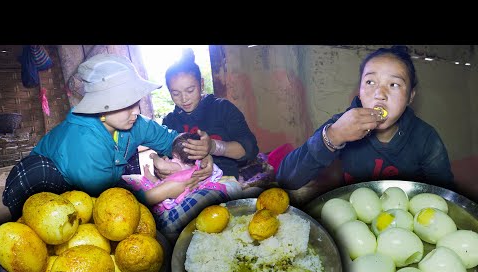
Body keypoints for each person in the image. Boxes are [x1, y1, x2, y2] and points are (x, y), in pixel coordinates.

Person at [2, 53, 214, 221]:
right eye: (124, 105)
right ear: (100, 107)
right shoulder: (84, 142)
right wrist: (162, 192)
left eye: (135, 102)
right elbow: (104, 205)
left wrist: (199, 152)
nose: (135, 111)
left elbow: (171, 140)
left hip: (97, 183)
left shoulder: (135, 123)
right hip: (43, 184)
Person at [277, 45, 455, 191]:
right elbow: (286, 180)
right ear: (359, 92)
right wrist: (333, 136)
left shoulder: (426, 138)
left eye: (394, 84)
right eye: (370, 82)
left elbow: (444, 192)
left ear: (410, 97)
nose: (380, 94)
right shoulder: (341, 125)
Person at [158, 48, 259, 181]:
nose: (184, 99)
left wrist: (213, 147)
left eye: (190, 90)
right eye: (175, 93)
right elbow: (162, 158)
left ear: (201, 84)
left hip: (224, 180)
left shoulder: (222, 109)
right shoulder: (170, 122)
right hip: (186, 184)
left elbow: (250, 150)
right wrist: (161, 169)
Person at [121, 132, 242, 214]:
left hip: (171, 189)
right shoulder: (197, 165)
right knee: (160, 183)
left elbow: (160, 165)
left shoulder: (177, 165)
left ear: (175, 155)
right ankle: (151, 178)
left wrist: (154, 156)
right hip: (176, 186)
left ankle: (150, 178)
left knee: (149, 182)